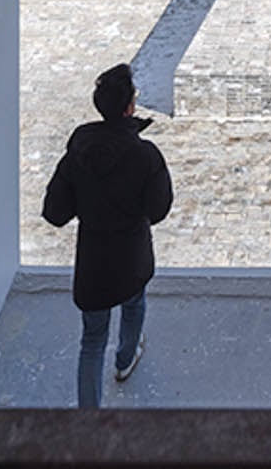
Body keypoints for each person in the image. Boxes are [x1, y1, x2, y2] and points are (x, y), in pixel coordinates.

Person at [42, 62, 173, 408]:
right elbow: (158, 210)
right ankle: (126, 359)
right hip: (131, 256)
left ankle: (89, 424)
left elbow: (55, 212)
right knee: (134, 305)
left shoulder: (78, 151)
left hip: (93, 263)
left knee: (92, 340)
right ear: (129, 107)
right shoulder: (145, 156)